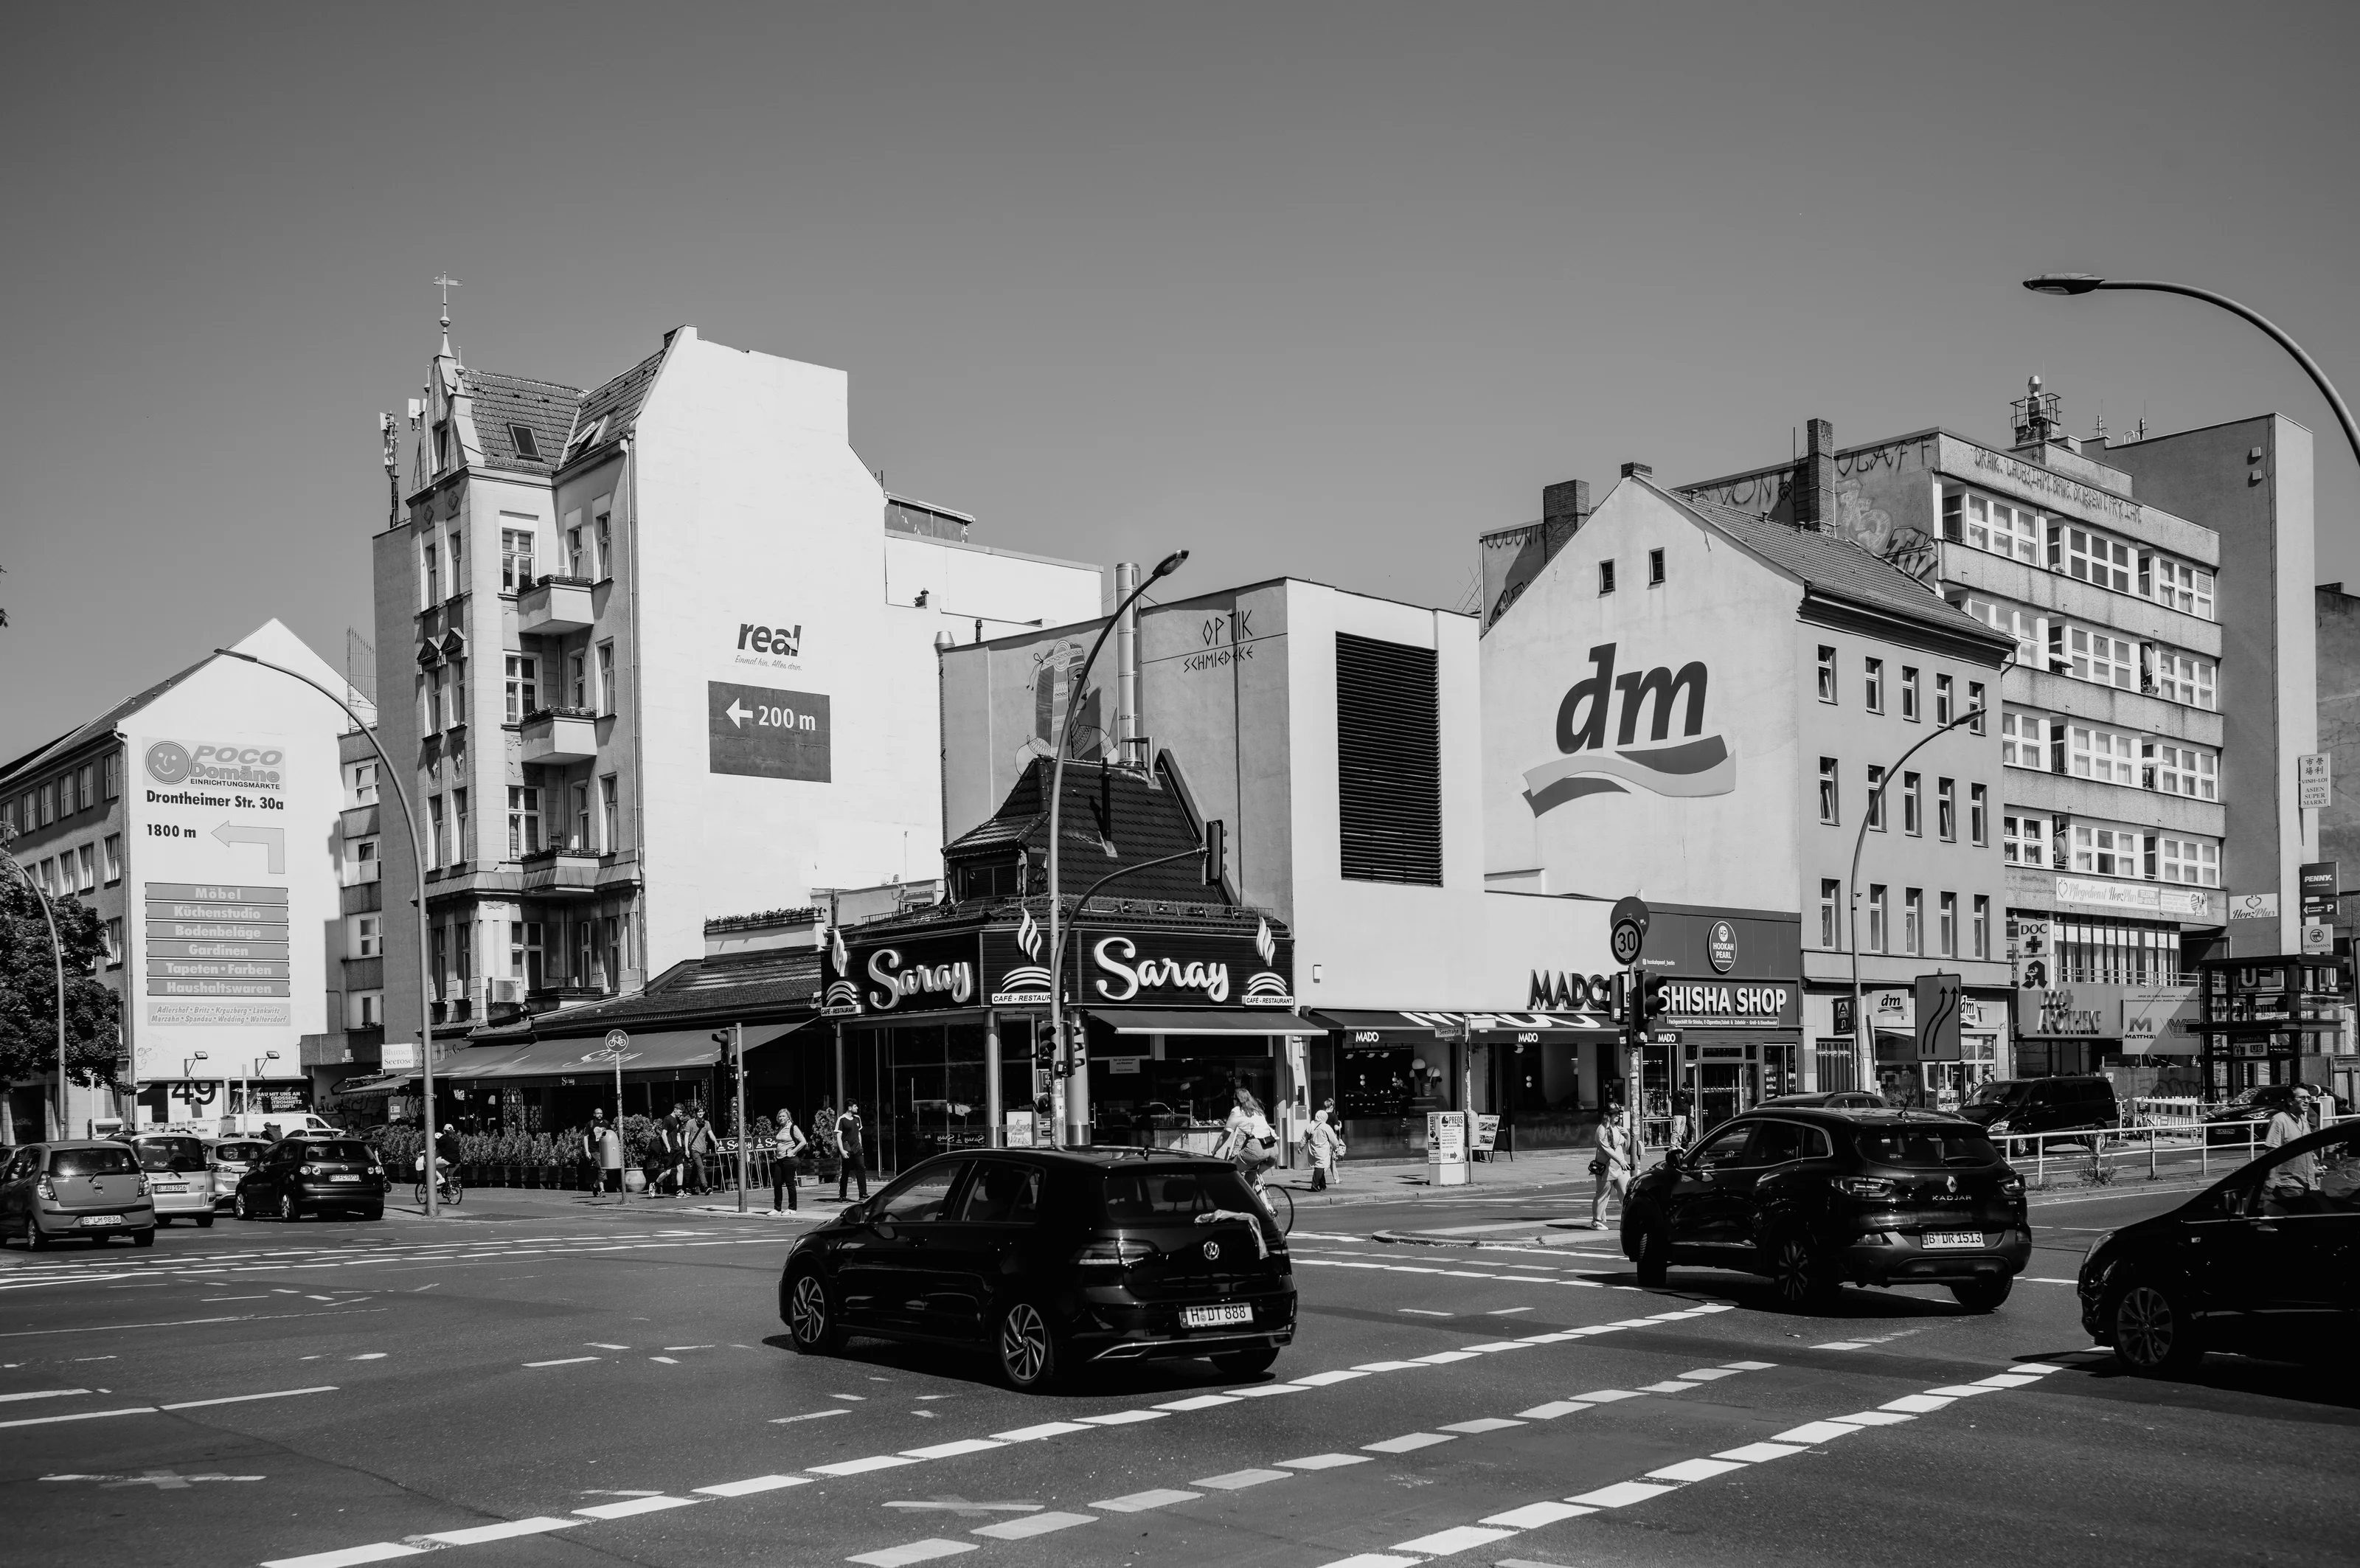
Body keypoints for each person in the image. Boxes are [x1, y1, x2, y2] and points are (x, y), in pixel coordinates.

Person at [1223, 1087, 1280, 1206]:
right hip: (1273, 1149)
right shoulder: (1257, 1110)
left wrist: (1214, 1151)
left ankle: (1233, 1202)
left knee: (1231, 1170)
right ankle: (1267, 1208)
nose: (1233, 1100)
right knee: (1252, 1175)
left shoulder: (1237, 1111)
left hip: (1258, 1149)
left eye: (1233, 1098)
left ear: (1237, 1100)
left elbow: (1224, 1135)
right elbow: (1251, 1137)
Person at [1590, 1103, 1631, 1230]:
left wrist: (1627, 1135)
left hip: (1620, 1168)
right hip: (1607, 1167)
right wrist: (1621, 1161)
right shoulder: (1602, 1129)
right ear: (1607, 1115)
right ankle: (1596, 1221)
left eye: (1618, 1113)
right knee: (1603, 1194)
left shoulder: (1618, 1128)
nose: (1617, 1116)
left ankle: (1629, 1217)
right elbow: (1607, 1149)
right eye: (1614, 1114)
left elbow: (1626, 1148)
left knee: (1626, 1193)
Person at [771, 1107, 808, 1212]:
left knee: (790, 1183)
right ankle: (777, 1208)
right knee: (777, 1183)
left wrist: (793, 1151)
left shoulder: (793, 1127)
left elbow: (803, 1141)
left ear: (788, 1118)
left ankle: (792, 1208)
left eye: (783, 1116)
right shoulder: (781, 1128)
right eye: (780, 1116)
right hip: (779, 1159)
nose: (781, 1118)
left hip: (789, 1159)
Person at [1304, 1099, 1343, 1191]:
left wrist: (1301, 1147)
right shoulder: (1332, 1118)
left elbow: (1305, 1136)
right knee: (1325, 1163)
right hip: (1326, 1144)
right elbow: (1335, 1130)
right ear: (1332, 1107)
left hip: (1316, 1143)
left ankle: (1323, 1184)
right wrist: (1340, 1126)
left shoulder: (1316, 1121)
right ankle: (1317, 1182)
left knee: (1324, 1163)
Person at [585, 1112, 625, 1196]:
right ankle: (602, 1190)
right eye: (598, 1113)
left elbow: (611, 1134)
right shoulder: (590, 1124)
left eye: (601, 1113)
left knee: (605, 1168)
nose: (599, 1115)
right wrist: (587, 1151)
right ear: (594, 1114)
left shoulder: (606, 1123)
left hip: (604, 1149)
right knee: (601, 1168)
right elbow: (586, 1137)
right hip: (594, 1150)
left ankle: (595, 1186)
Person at [836, 1102, 868, 1201]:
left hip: (858, 1149)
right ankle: (843, 1195)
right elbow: (838, 1136)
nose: (857, 1108)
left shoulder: (857, 1118)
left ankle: (863, 1194)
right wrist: (842, 1151)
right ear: (850, 1108)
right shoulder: (842, 1119)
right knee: (845, 1172)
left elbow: (859, 1133)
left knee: (861, 1170)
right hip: (847, 1149)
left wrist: (861, 1147)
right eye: (855, 1106)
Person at [683, 1104, 716, 1196]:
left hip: (703, 1150)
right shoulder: (690, 1123)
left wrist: (716, 1141)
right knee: (701, 1167)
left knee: (695, 1168)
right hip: (694, 1149)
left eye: (702, 1111)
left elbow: (710, 1134)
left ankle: (689, 1187)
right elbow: (686, 1136)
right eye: (698, 1112)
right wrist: (686, 1149)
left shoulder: (707, 1123)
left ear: (704, 1112)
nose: (700, 1113)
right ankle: (705, 1187)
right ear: (696, 1113)